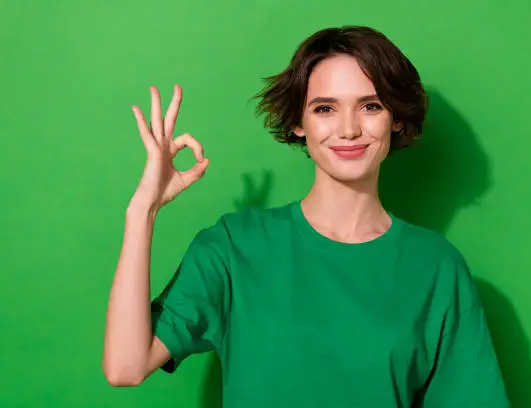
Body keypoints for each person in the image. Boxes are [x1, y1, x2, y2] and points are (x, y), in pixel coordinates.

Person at [103, 25, 509, 407]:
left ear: (396, 118)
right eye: (325, 108)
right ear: (299, 122)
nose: (348, 129)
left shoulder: (436, 267)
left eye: (370, 105)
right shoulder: (233, 248)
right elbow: (125, 367)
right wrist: (143, 211)